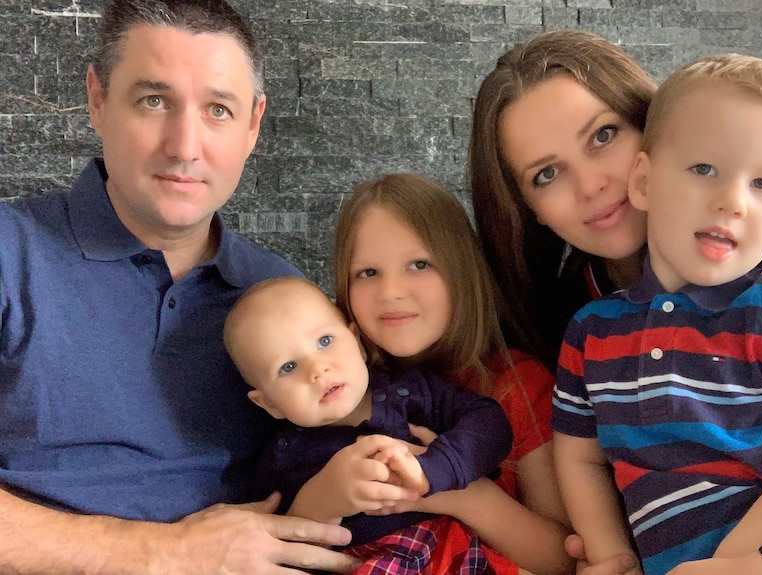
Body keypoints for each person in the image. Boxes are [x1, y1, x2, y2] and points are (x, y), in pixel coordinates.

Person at [0, 1, 359, 573]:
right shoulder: (10, 251)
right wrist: (166, 553)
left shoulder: (285, 302)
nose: (185, 146)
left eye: (218, 109)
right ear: (97, 99)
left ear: (253, 125)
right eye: (153, 101)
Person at [552, 53, 762, 575]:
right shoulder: (591, 331)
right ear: (644, 182)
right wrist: (612, 555)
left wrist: (739, 559)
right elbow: (579, 457)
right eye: (704, 169)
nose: (732, 201)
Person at [469, 30, 762, 370]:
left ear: (649, 125)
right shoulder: (575, 320)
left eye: (603, 136)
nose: (590, 186)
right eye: (546, 175)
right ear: (526, 209)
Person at [332, 173, 638, 575]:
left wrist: (452, 492)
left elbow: (565, 555)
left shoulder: (517, 386)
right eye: (368, 273)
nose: (391, 291)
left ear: (461, 271)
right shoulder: (336, 389)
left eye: (419, 264)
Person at [223, 276, 525, 575]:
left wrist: (436, 467)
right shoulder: (282, 459)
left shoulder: (413, 393)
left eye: (325, 341)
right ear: (269, 404)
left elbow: (490, 423)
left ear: (357, 343)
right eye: (288, 367)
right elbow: (280, 555)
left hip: (455, 553)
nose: (317, 369)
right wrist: (321, 501)